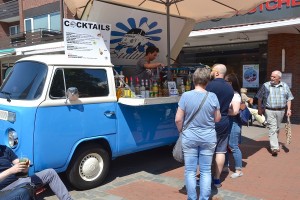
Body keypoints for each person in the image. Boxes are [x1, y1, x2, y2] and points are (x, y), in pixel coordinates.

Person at [175, 67, 221, 200]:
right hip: (208, 136)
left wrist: (182, 131)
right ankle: (204, 198)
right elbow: (217, 118)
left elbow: (178, 119)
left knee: (190, 170)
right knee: (206, 170)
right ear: (207, 81)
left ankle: (192, 197)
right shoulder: (212, 96)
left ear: (194, 79)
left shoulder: (186, 96)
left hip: (190, 136)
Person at [0, 145, 73, 200]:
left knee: (50, 172)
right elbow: (13, 169)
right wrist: (11, 170)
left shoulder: (5, 149)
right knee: (23, 191)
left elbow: (18, 164)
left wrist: (25, 165)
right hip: (3, 190)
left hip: (17, 181)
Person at [206, 64, 234, 188]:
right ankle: (217, 179)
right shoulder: (229, 88)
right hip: (224, 120)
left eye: (212, 70)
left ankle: (205, 178)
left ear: (216, 72)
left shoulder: (209, 85)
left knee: (206, 151)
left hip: (209, 120)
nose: (211, 72)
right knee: (221, 150)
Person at [256, 70, 294, 156]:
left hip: (281, 110)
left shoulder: (284, 86)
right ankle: (274, 148)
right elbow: (259, 97)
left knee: (276, 128)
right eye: (271, 76)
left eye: (274, 77)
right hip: (269, 110)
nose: (272, 78)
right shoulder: (266, 85)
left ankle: (273, 143)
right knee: (272, 128)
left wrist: (289, 109)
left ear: (279, 78)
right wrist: (259, 108)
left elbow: (289, 98)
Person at [224, 73, 243, 178]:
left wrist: (223, 112)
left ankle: (239, 170)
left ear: (230, 83)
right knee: (225, 146)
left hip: (233, 122)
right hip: (227, 121)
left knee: (233, 146)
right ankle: (225, 166)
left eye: (225, 81)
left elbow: (235, 111)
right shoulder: (228, 94)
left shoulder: (235, 95)